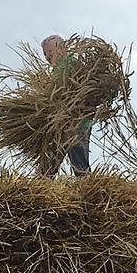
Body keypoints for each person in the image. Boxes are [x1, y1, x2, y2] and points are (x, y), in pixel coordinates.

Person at [42, 34, 95, 176]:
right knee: (50, 160)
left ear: (63, 48)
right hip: (61, 123)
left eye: (51, 52)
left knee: (78, 160)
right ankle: (41, 189)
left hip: (77, 121)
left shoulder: (71, 64)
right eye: (45, 54)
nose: (48, 57)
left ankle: (88, 190)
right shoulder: (56, 70)